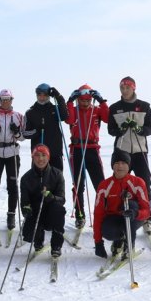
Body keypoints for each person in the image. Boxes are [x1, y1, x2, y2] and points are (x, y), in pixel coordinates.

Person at [107, 76, 151, 234]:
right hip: (122, 151)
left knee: (144, 185)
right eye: (122, 88)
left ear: (134, 88)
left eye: (127, 87)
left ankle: (147, 217)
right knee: (121, 185)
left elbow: (150, 129)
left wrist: (139, 129)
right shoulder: (114, 107)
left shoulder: (144, 106)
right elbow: (111, 130)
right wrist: (121, 129)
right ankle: (120, 215)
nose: (124, 90)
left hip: (140, 150)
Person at [92, 150, 151, 259]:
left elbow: (147, 211)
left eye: (124, 163)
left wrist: (136, 213)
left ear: (129, 166)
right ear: (112, 166)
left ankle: (129, 247)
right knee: (107, 230)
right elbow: (98, 213)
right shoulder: (105, 185)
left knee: (130, 205)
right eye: (116, 163)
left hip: (134, 218)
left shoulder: (138, 182)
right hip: (115, 218)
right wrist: (98, 242)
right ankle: (119, 240)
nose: (120, 166)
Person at [65, 84, 109, 228]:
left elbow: (108, 118)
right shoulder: (74, 110)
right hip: (76, 149)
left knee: (100, 184)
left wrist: (102, 101)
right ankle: (80, 215)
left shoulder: (96, 110)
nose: (85, 103)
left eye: (88, 100)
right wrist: (70, 101)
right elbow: (69, 120)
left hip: (92, 149)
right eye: (82, 100)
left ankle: (104, 214)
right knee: (78, 185)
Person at [0, 89, 24, 230]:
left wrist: (17, 132)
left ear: (12, 100)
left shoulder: (19, 116)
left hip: (12, 152)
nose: (5, 102)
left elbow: (23, 137)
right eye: (3, 99)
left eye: (8, 99)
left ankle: (11, 214)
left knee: (12, 185)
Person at [19, 144, 66, 257]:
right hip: (36, 212)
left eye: (43, 155)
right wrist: (26, 209)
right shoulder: (26, 178)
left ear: (48, 157)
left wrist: (52, 197)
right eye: (37, 155)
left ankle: (56, 245)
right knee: (28, 233)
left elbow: (62, 199)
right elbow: (24, 200)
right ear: (33, 157)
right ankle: (38, 241)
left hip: (51, 213)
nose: (40, 159)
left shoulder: (57, 174)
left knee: (59, 209)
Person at [22, 83, 69, 173]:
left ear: (49, 96)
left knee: (56, 181)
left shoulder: (55, 109)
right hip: (38, 155)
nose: (42, 98)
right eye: (40, 95)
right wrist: (37, 131)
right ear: (37, 95)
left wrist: (58, 97)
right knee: (37, 182)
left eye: (45, 95)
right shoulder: (30, 112)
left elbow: (64, 115)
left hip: (55, 153)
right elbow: (25, 133)